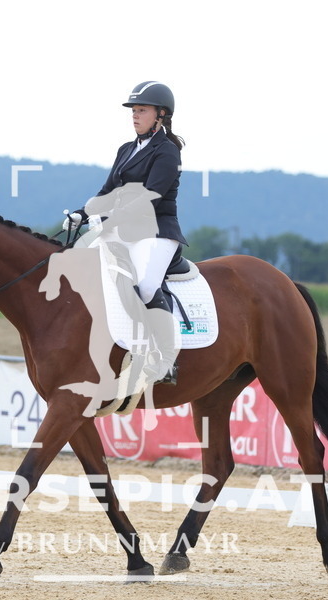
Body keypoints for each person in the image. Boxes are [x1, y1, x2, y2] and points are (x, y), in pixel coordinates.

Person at [65, 81, 187, 384]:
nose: (134, 116)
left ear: (160, 114)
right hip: (122, 228)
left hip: (156, 231)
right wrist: (84, 212)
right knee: (80, 265)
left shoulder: (167, 152)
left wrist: (109, 219)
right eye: (133, 110)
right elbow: (108, 190)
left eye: (141, 110)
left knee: (145, 286)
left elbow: (149, 197)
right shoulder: (127, 149)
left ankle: (165, 358)